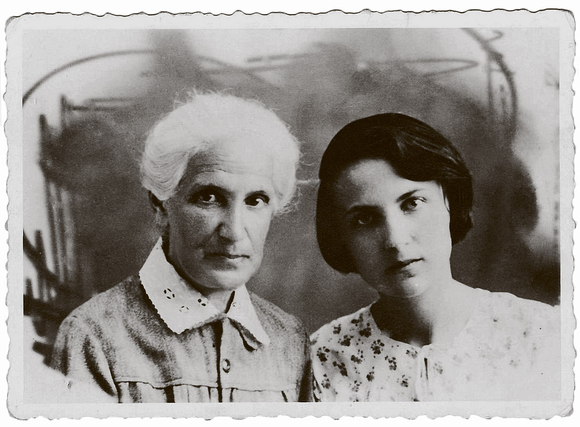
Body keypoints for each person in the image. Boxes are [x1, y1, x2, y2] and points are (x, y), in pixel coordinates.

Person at [51, 92, 312, 403]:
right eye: (209, 198)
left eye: (255, 200)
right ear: (161, 205)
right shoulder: (94, 335)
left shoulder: (289, 339)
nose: (233, 232)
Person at [311, 113, 560, 401]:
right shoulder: (325, 356)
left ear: (449, 202)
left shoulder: (537, 334)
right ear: (341, 237)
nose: (395, 240)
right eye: (364, 219)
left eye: (412, 203)